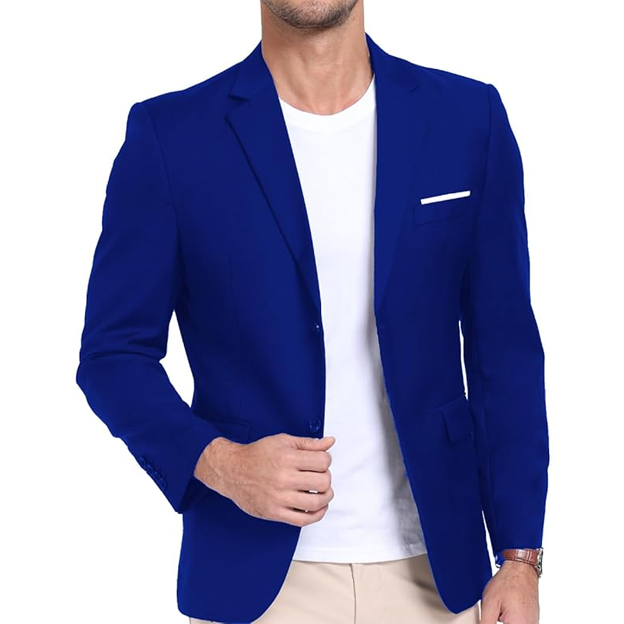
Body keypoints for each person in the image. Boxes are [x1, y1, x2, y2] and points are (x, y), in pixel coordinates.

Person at [76, 1, 549, 622]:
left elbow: (503, 350)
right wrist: (222, 462)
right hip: (257, 580)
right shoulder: (172, 136)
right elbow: (113, 355)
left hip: (440, 575)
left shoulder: (467, 118)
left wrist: (520, 555)